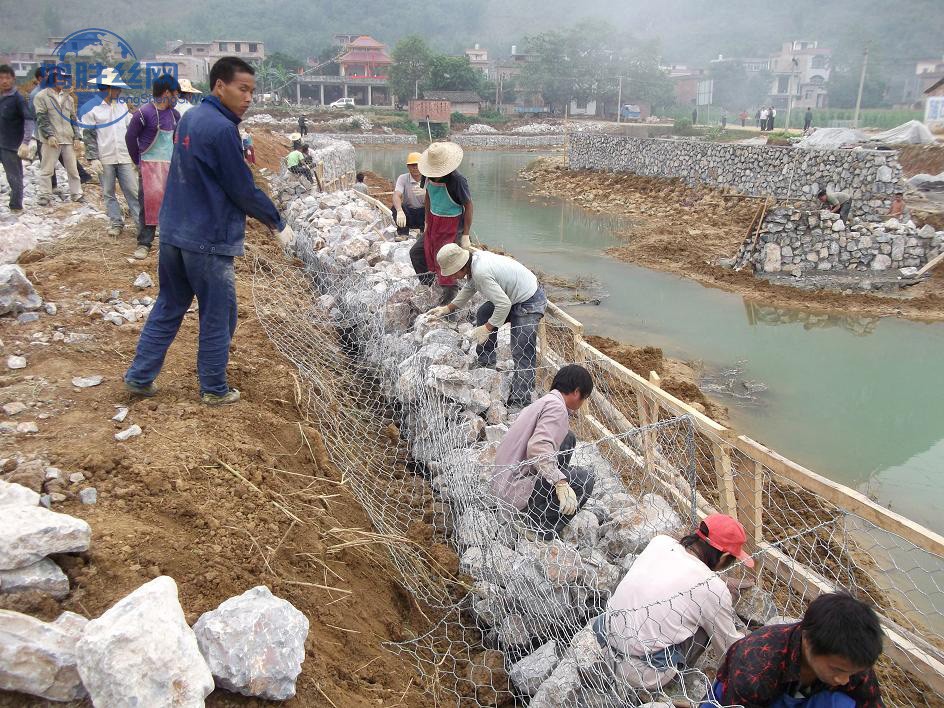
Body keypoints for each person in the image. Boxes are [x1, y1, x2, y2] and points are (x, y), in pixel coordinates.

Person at [123, 57, 292, 405]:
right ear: (219, 86)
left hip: (173, 231)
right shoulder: (221, 129)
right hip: (207, 239)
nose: (248, 98)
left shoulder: (191, 118)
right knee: (219, 313)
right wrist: (276, 221)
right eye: (242, 89)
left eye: (252, 91)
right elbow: (242, 188)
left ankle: (140, 376)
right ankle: (214, 388)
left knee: (169, 303)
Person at [594, 515, 752, 691]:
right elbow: (730, 652)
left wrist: (718, 580)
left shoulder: (661, 542)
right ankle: (672, 689)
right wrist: (745, 634)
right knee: (707, 625)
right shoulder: (711, 588)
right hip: (643, 674)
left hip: (603, 644)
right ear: (724, 557)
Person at [710, 592, 884, 707]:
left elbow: (872, 703)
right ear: (807, 640)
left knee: (843, 703)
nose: (845, 680)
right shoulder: (756, 665)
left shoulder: (849, 662)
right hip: (738, 700)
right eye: (837, 669)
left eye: (851, 672)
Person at [428, 243, 546, 408]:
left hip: (529, 299)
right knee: (484, 312)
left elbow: (503, 305)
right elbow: (469, 289)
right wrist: (447, 308)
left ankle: (520, 401)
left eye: (453, 273)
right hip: (513, 295)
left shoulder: (481, 271)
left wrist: (487, 328)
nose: (453, 277)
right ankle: (486, 360)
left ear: (461, 266)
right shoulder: (474, 262)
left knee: (522, 349)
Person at [490, 364, 596, 538]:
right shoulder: (557, 408)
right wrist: (560, 482)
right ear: (577, 392)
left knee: (567, 438)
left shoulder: (543, 402)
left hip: (503, 483)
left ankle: (540, 504)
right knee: (585, 480)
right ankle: (537, 526)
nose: (582, 402)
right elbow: (538, 447)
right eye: (584, 397)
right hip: (514, 490)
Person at [125, 73, 180, 259]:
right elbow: (130, 138)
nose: (177, 98)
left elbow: (177, 142)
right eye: (175, 94)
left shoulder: (175, 115)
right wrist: (138, 161)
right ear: (166, 93)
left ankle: (170, 242)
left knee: (172, 205)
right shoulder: (144, 113)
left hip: (169, 167)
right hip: (149, 167)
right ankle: (144, 243)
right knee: (148, 204)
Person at [81, 67, 139, 238]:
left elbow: (131, 129)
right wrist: (93, 158)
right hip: (105, 157)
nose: (119, 91)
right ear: (107, 88)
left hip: (123, 156)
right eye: (116, 88)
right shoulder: (92, 109)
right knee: (108, 192)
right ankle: (116, 223)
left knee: (132, 191)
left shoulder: (122, 107)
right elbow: (89, 135)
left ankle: (140, 224)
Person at [415, 141, 473, 304]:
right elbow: (428, 196)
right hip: (434, 221)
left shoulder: (457, 180)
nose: (434, 175)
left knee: (448, 261)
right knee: (418, 253)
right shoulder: (427, 174)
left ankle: (449, 306)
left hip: (452, 225)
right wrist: (426, 220)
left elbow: (468, 205)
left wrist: (466, 234)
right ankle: (429, 284)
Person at [33, 64, 83, 205]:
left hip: (67, 138)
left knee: (73, 169)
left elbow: (73, 118)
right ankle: (45, 194)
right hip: (52, 139)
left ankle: (76, 194)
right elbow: (42, 118)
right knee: (47, 168)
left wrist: (77, 136)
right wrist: (49, 136)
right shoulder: (41, 97)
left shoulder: (68, 98)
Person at [0, 64, 34, 213]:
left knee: (14, 177)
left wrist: (25, 142)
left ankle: (16, 206)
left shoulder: (18, 99)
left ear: (13, 79)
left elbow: (28, 119)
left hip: (11, 145)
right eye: (1, 78)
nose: (4, 81)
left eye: (7, 78)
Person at [392, 151, 426, 238]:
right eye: (412, 165)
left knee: (433, 209)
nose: (415, 167)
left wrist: (427, 193)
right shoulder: (403, 178)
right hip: (409, 214)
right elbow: (397, 195)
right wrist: (399, 211)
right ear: (408, 166)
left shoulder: (429, 179)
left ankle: (425, 232)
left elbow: (437, 199)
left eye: (417, 164)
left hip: (424, 214)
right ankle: (403, 233)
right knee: (395, 208)